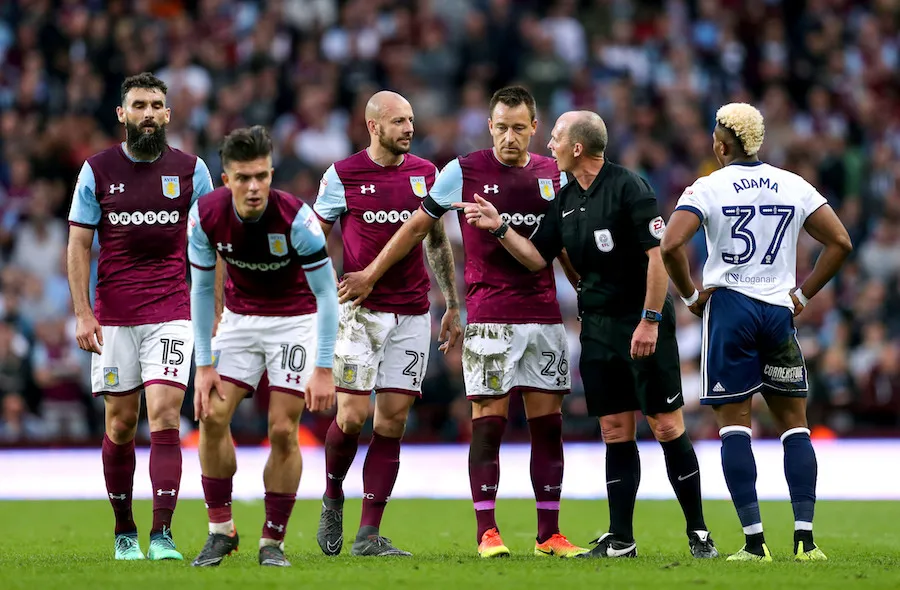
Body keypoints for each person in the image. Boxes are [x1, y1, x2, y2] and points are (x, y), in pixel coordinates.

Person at [339, 86, 587, 559]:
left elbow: (562, 246)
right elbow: (417, 226)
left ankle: (549, 535)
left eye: (518, 127)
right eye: (500, 127)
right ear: (488, 126)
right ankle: (487, 532)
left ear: (534, 128)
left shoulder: (553, 173)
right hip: (491, 316)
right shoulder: (462, 171)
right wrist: (371, 273)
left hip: (545, 317)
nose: (509, 137)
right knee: (488, 424)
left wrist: (584, 290)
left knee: (548, 428)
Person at [459, 110, 718, 559]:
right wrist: (500, 227)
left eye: (555, 137)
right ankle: (622, 538)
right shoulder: (563, 200)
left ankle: (699, 533)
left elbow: (656, 259)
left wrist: (650, 319)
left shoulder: (629, 187)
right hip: (597, 328)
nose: (549, 144)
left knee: (664, 424)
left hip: (642, 322)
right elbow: (537, 258)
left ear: (577, 147)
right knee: (615, 429)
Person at [660, 103, 852, 561]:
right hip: (777, 309)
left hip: (729, 309)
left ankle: (754, 543)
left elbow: (670, 244)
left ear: (721, 144)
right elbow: (840, 242)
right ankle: (806, 542)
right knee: (795, 426)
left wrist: (689, 295)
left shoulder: (707, 186)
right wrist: (802, 296)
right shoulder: (793, 184)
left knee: (733, 429)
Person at [67, 72, 215, 561]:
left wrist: (214, 312)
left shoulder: (193, 172)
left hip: (172, 310)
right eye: (139, 105)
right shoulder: (96, 170)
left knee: (167, 415)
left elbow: (210, 247)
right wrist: (83, 312)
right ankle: (125, 531)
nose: (148, 113)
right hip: (113, 315)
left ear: (168, 114)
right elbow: (79, 244)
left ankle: (163, 534)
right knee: (120, 424)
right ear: (122, 114)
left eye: (156, 105)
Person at [312, 91, 461, 557]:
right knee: (353, 417)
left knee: (392, 422)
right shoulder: (342, 175)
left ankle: (369, 534)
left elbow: (436, 242)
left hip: (414, 312)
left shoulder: (426, 174)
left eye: (411, 120)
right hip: (360, 313)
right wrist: (317, 295)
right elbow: (316, 239)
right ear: (373, 126)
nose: (409, 129)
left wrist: (452, 303)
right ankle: (333, 493)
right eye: (398, 121)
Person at [187, 126, 339, 567]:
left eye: (262, 176)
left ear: (271, 173)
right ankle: (221, 531)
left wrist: (324, 367)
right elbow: (199, 291)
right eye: (243, 178)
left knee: (282, 429)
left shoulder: (297, 220)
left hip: (294, 323)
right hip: (239, 320)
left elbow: (327, 294)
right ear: (225, 179)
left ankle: (272, 541)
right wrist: (203, 363)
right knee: (212, 416)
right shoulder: (205, 216)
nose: (254, 188)